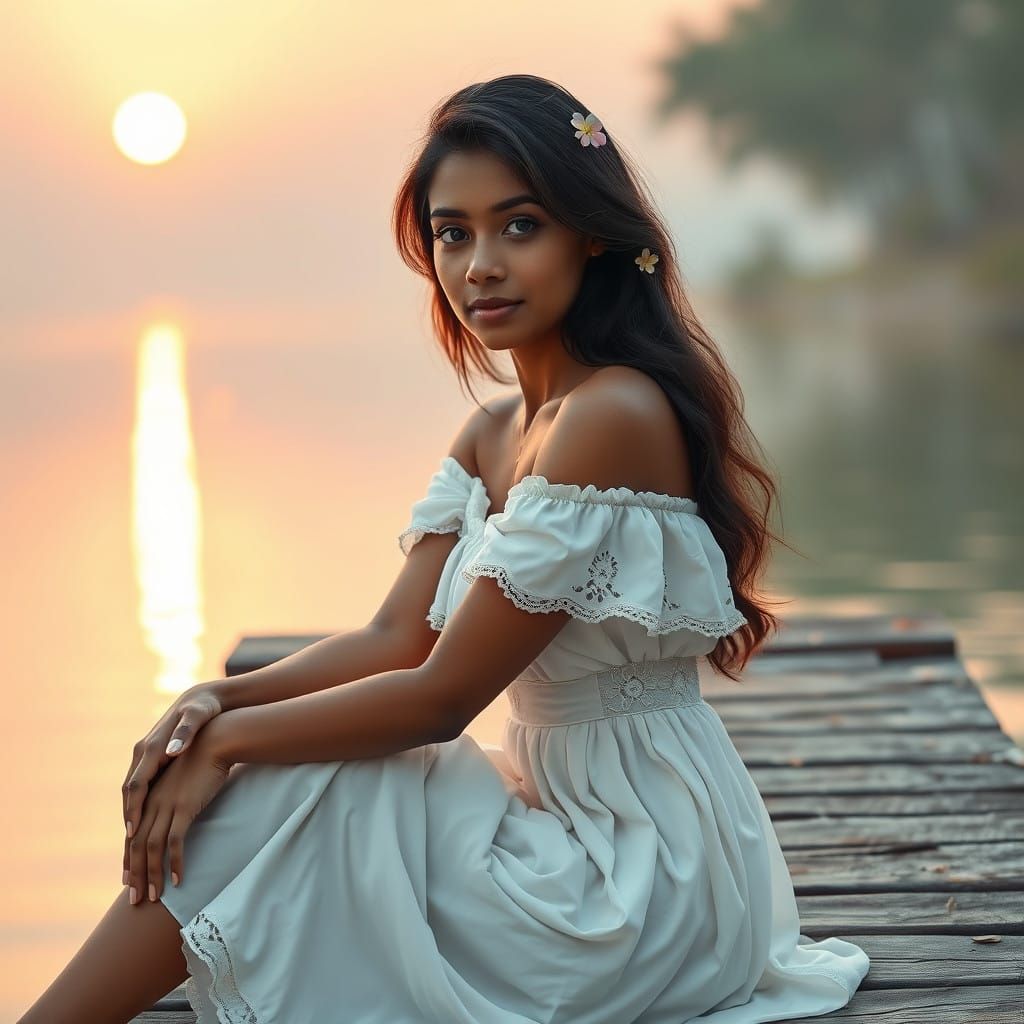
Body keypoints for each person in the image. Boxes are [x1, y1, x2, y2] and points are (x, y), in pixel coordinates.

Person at [19, 73, 870, 1024]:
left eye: (519, 226)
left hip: (646, 874)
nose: (480, 266)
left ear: (590, 234)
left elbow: (439, 701)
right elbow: (394, 639)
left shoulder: (613, 415)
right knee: (300, 780)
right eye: (453, 233)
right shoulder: (496, 432)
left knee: (294, 779)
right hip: (559, 818)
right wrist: (213, 699)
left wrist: (227, 746)